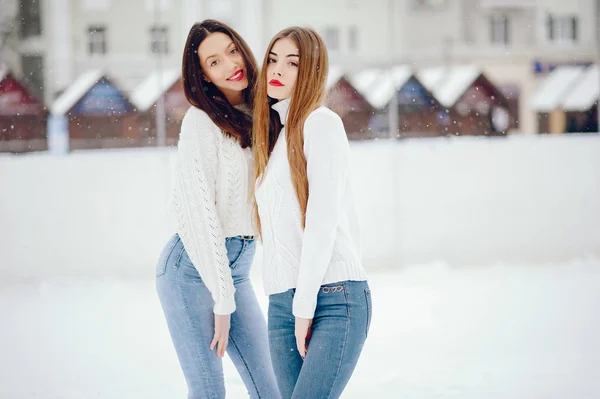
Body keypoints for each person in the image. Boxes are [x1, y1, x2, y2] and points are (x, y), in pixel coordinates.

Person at [155, 19, 279, 399]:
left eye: (232, 51)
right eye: (214, 62)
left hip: (237, 269)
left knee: (270, 388)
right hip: (192, 270)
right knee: (209, 390)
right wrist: (222, 300)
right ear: (204, 77)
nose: (230, 64)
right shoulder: (201, 124)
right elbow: (197, 212)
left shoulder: (263, 115)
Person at [252, 26, 372, 399]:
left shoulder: (321, 124)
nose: (278, 70)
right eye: (273, 59)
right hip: (280, 302)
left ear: (312, 72)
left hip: (334, 298)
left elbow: (323, 222)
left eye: (293, 63)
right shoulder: (274, 140)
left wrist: (304, 306)